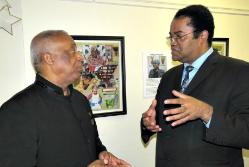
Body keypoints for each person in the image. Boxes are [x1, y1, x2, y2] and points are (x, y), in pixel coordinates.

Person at [0, 30, 131, 167]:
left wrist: (103, 155)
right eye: (73, 51)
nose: (81, 57)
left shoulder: (81, 100)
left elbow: (94, 143)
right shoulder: (16, 111)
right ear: (49, 58)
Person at [141, 4, 249, 167]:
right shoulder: (169, 76)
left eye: (179, 36)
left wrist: (206, 112)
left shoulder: (239, 72)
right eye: (170, 37)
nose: (173, 42)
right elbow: (161, 120)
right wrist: (147, 124)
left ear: (203, 36)